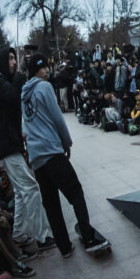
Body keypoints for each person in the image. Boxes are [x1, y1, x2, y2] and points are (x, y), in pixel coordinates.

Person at [20, 55, 108, 258]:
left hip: (36, 157)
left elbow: (24, 126)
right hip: (51, 151)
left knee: (51, 204)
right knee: (75, 193)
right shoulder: (44, 87)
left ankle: (64, 247)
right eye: (45, 69)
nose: (48, 71)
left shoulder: (23, 95)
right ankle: (88, 237)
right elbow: (57, 117)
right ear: (39, 70)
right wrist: (66, 142)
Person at [0, 50, 54, 256]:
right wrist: (20, 74)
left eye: (14, 57)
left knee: (21, 192)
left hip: (10, 144)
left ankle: (20, 235)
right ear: (1, 62)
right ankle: (42, 236)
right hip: (6, 147)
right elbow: (13, 96)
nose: (14, 62)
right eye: (10, 58)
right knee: (31, 188)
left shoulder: (6, 81)